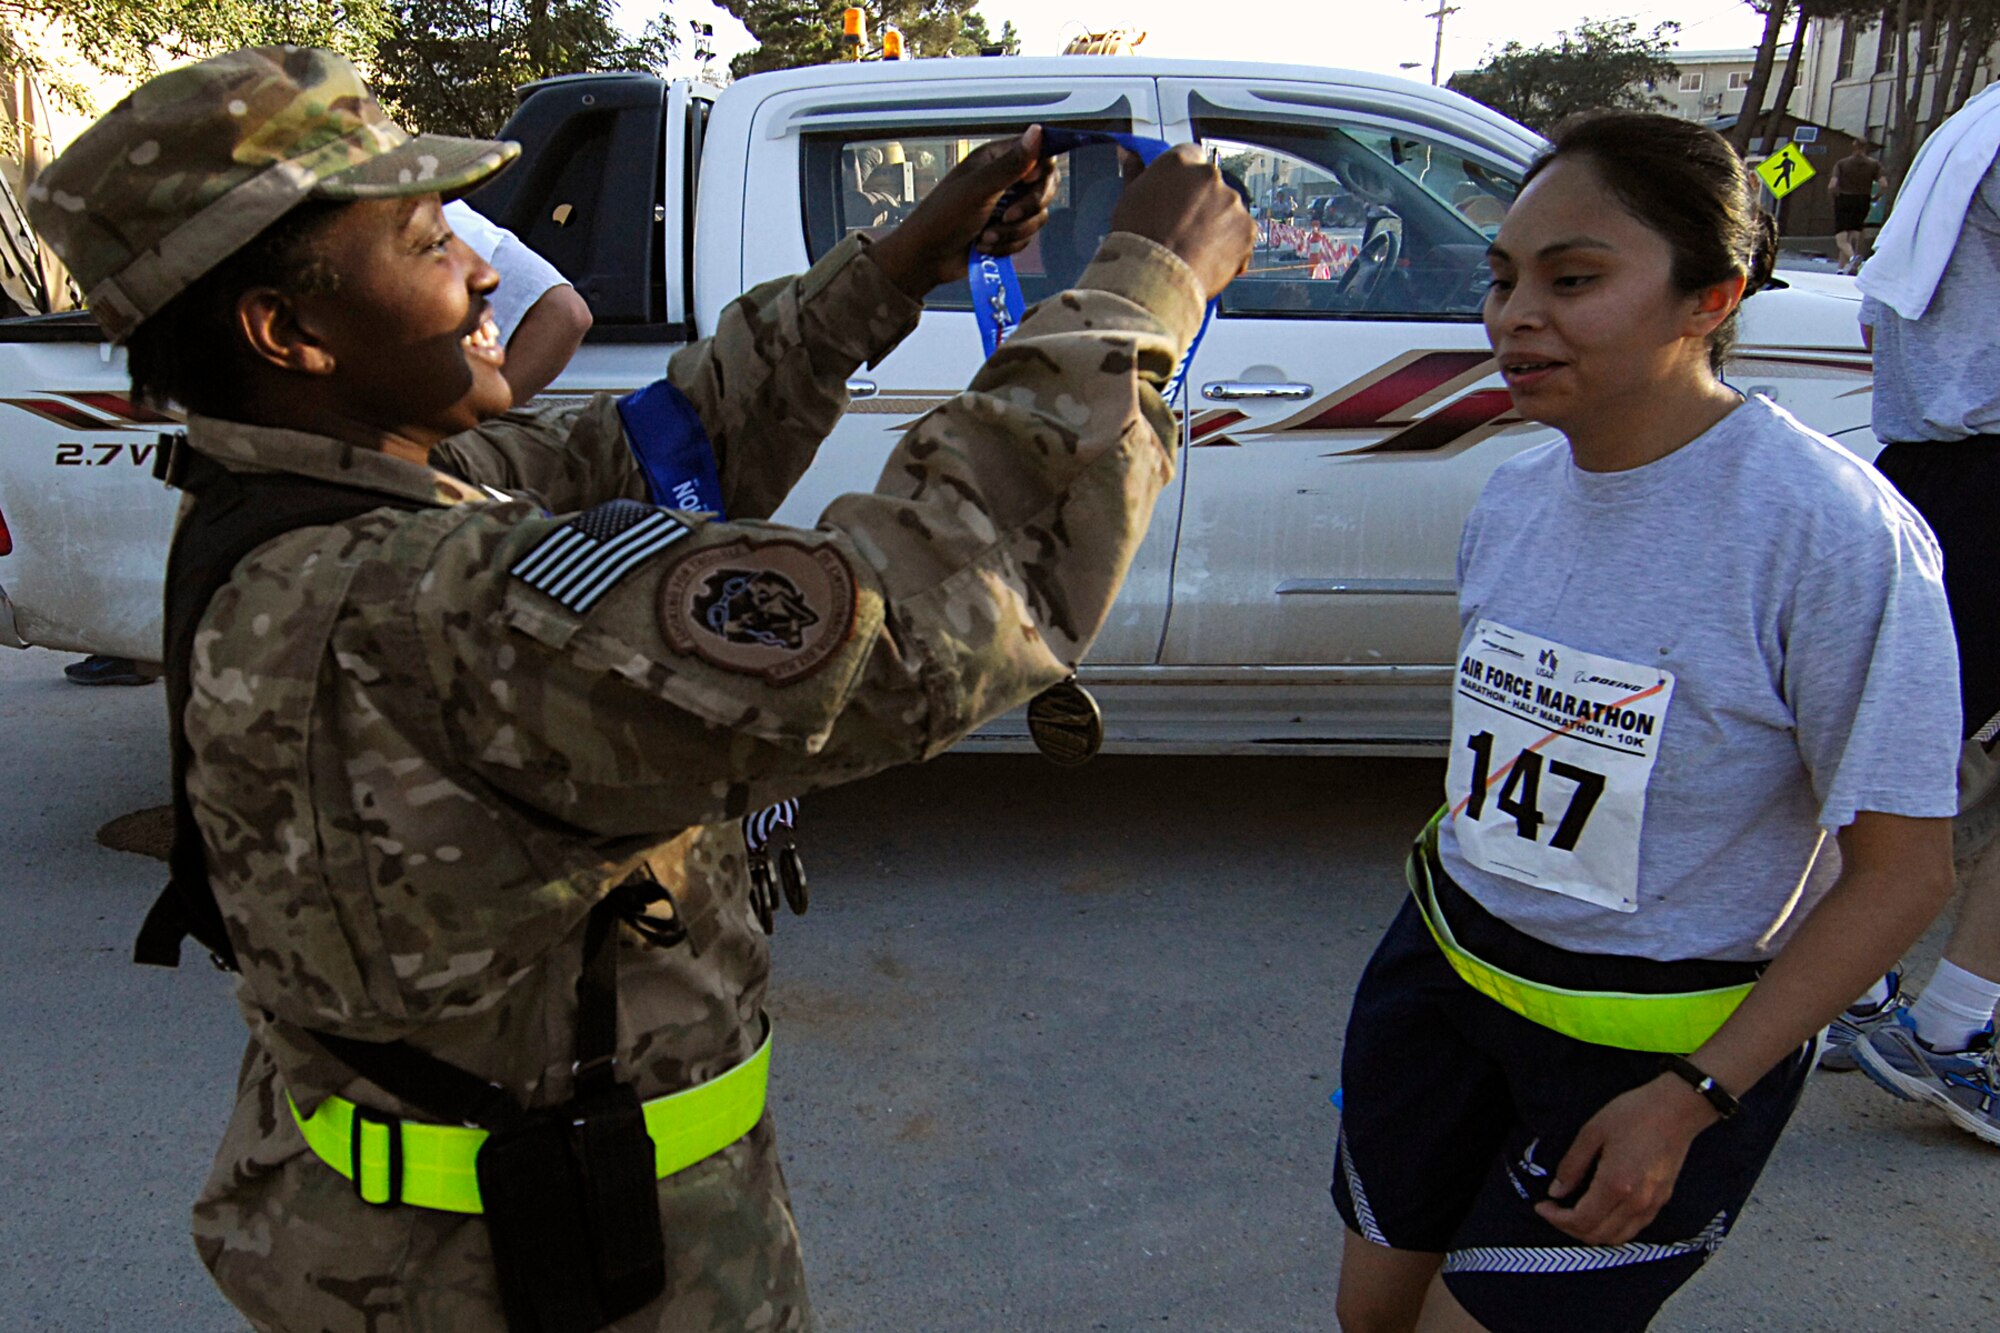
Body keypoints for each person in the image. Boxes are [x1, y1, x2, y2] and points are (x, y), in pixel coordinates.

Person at [27, 45, 1254, 1331]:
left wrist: (892, 269)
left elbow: (638, 453)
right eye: (424, 238)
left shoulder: (289, 507)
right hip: (543, 1269)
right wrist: (1140, 292)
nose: (482, 268)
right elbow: (920, 627)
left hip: (424, 1229)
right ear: (288, 333)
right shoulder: (432, 606)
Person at [1331, 112, 1960, 1333]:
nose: (1515, 315)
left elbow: (1901, 873)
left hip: (1656, 1053)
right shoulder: (1512, 497)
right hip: (1443, 986)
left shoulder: (1831, 536)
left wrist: (1691, 1095)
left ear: (1706, 299)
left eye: (1573, 280)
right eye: (1501, 277)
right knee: (1371, 1317)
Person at [59, 200, 586, 691]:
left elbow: (569, 446)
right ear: (288, 330)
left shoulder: (285, 480)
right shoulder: (408, 588)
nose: (487, 276)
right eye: (432, 246)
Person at [1822, 84, 2000, 1146]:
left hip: (1940, 469)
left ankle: (1865, 995)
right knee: (1900, 758)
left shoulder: (1973, 119)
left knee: (1901, 754)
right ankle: (1934, 1029)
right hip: (1982, 471)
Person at [442, 199, 593, 404]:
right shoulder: (416, 210)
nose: (486, 279)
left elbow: (564, 313)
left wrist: (470, 425)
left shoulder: (431, 213)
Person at [1830, 138, 1888, 275]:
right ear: (1866, 148)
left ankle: (1853, 259)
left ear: (1853, 147)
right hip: (1863, 199)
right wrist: (1877, 196)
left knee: (1841, 239)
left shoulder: (1842, 164)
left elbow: (1832, 185)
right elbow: (1884, 184)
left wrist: (1834, 196)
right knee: (1853, 235)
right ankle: (1841, 268)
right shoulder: (1874, 165)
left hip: (1844, 198)